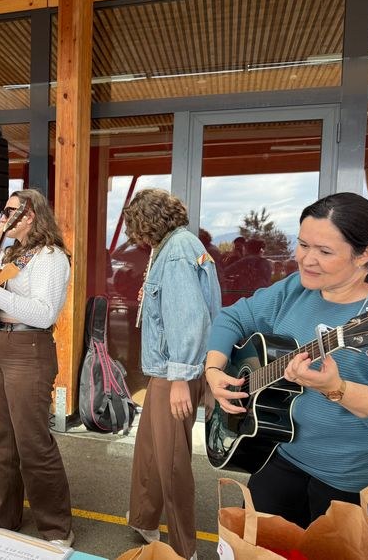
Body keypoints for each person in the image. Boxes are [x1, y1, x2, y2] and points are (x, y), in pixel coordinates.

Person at [205, 192, 368, 528]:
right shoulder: (295, 289)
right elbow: (233, 317)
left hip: (363, 482)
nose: (307, 260)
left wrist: (338, 389)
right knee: (257, 544)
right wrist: (213, 369)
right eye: (303, 245)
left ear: (364, 254)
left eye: (324, 251)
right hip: (282, 453)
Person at [0, 188, 74, 546]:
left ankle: (56, 529)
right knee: (0, 438)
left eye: (10, 211)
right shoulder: (14, 252)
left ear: (30, 216)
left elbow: (44, 314)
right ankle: (5, 517)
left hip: (29, 347)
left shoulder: (51, 257)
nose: (4, 216)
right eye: (3, 210)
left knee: (32, 442)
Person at [122, 189, 221, 560]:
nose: (136, 237)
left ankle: (183, 547)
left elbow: (188, 319)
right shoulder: (181, 244)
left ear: (147, 223)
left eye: (136, 228)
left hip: (174, 371)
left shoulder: (176, 251)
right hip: (171, 369)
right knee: (151, 449)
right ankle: (144, 519)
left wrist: (181, 378)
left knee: (172, 461)